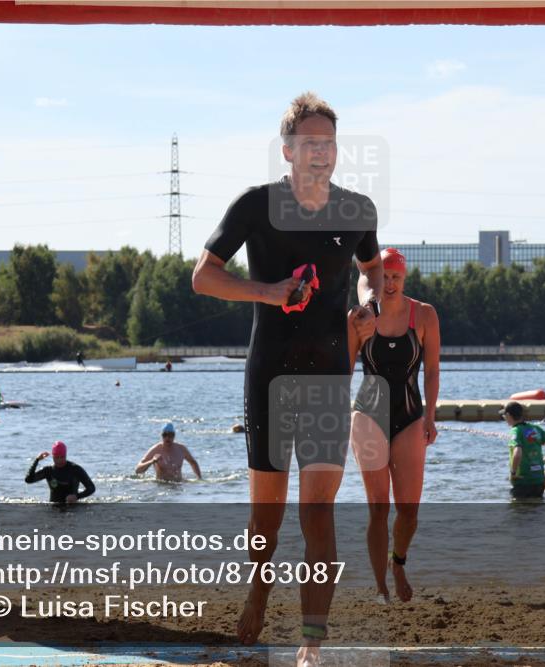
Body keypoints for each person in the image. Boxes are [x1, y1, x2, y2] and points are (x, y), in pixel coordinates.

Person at [192, 92, 383, 663]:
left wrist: (368, 305)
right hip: (269, 374)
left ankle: (311, 641)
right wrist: (266, 292)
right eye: (310, 144)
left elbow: (370, 270)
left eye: (328, 143)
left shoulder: (357, 211)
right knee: (266, 514)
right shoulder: (255, 205)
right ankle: (258, 584)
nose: (321, 153)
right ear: (288, 150)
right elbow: (204, 277)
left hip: (329, 375)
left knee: (318, 513)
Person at [348, 248, 440, 604]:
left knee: (409, 510)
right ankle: (380, 586)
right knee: (378, 508)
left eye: (396, 277)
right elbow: (346, 370)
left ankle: (397, 562)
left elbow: (431, 371)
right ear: (376, 278)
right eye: (383, 276)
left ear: (404, 279)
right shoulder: (360, 316)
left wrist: (430, 416)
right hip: (368, 415)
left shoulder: (425, 316)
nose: (389, 283)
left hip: (409, 416)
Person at [500, 402, 545, 499]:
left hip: (522, 480)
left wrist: (513, 473)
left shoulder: (515, 431)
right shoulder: (536, 429)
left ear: (508, 415)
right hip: (538, 480)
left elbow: (517, 453)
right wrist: (542, 462)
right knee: (537, 509)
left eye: (504, 415)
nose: (504, 418)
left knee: (518, 511)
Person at [25, 441, 95, 504]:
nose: (59, 460)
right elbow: (28, 480)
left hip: (72, 509)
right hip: (53, 509)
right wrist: (37, 460)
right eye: (56, 457)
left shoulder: (75, 469)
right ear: (53, 457)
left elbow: (91, 488)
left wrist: (77, 496)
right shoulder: (48, 470)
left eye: (62, 457)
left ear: (65, 455)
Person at [135, 422, 202, 482]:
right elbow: (138, 470)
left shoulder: (181, 449)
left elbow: (193, 462)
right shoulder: (155, 450)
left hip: (178, 485)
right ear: (161, 436)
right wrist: (152, 461)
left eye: (170, 435)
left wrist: (199, 479)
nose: (167, 438)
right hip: (162, 486)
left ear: (174, 436)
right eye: (165, 435)